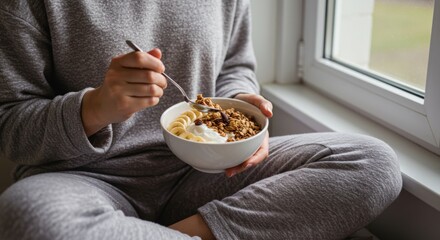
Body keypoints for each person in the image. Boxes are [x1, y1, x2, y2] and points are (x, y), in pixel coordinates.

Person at [0, 1, 402, 239]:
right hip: (83, 180)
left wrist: (243, 104)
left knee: (372, 163)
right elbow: (11, 126)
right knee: (27, 215)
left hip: (206, 172)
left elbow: (235, 64)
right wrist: (97, 106)